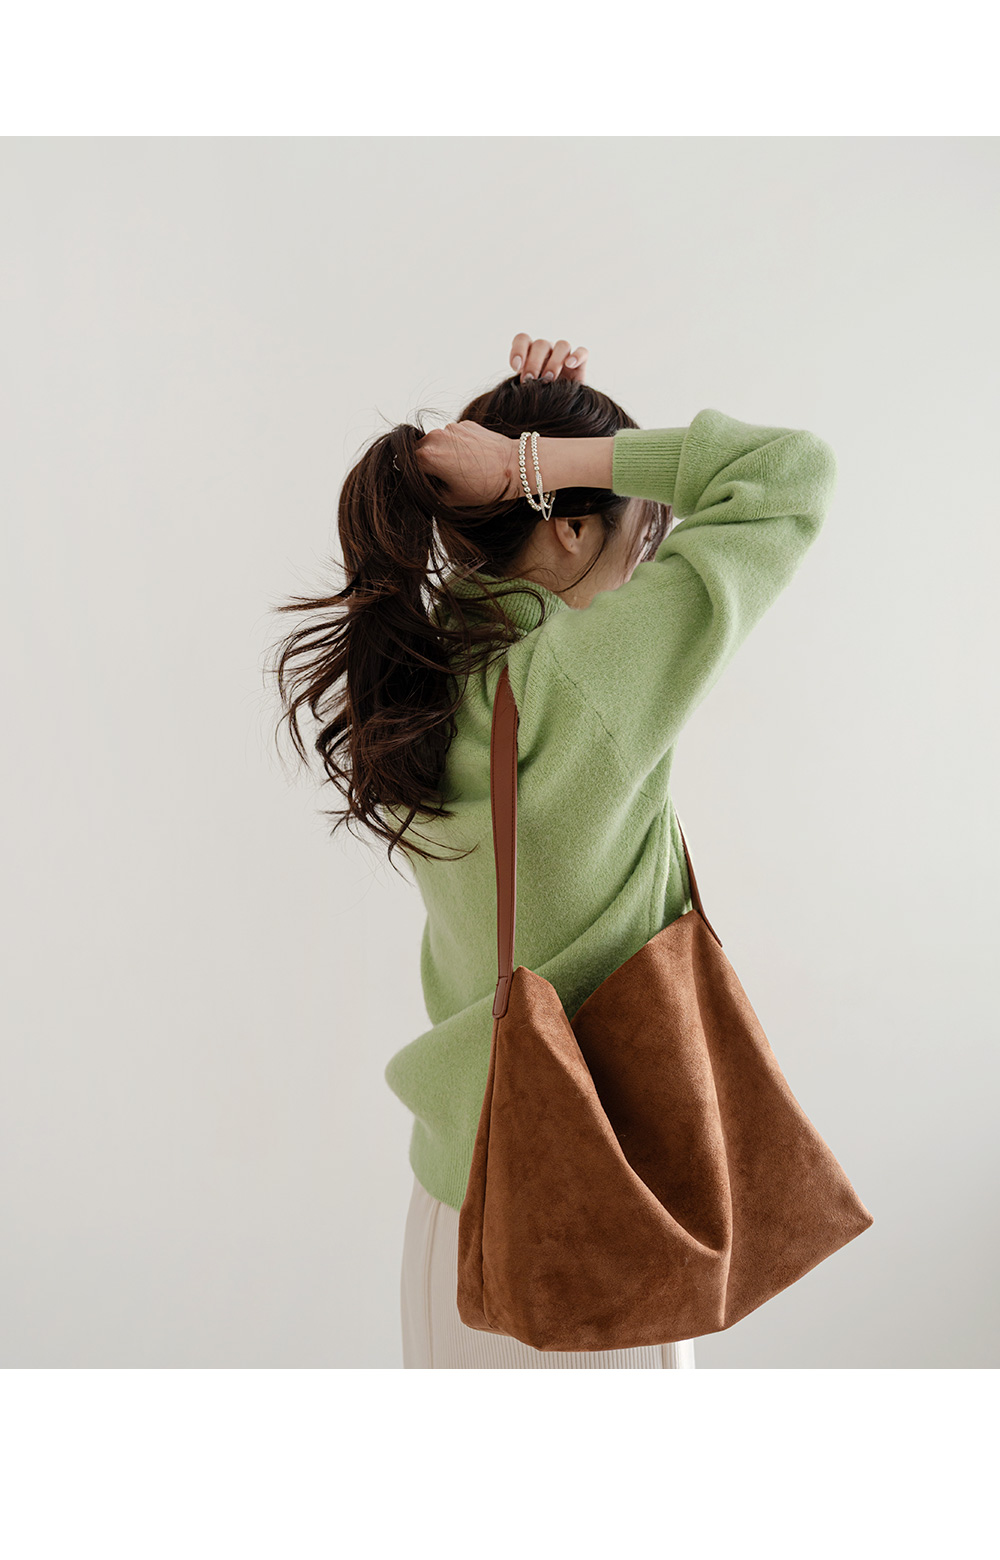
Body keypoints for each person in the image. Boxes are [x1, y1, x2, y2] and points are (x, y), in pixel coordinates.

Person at [271, 332, 838, 1369]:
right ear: (570, 531)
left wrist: (536, 455)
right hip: (594, 1210)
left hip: (452, 1209)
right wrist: (546, 460)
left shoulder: (422, 671)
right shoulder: (578, 677)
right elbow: (789, 470)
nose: (649, 557)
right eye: (643, 529)